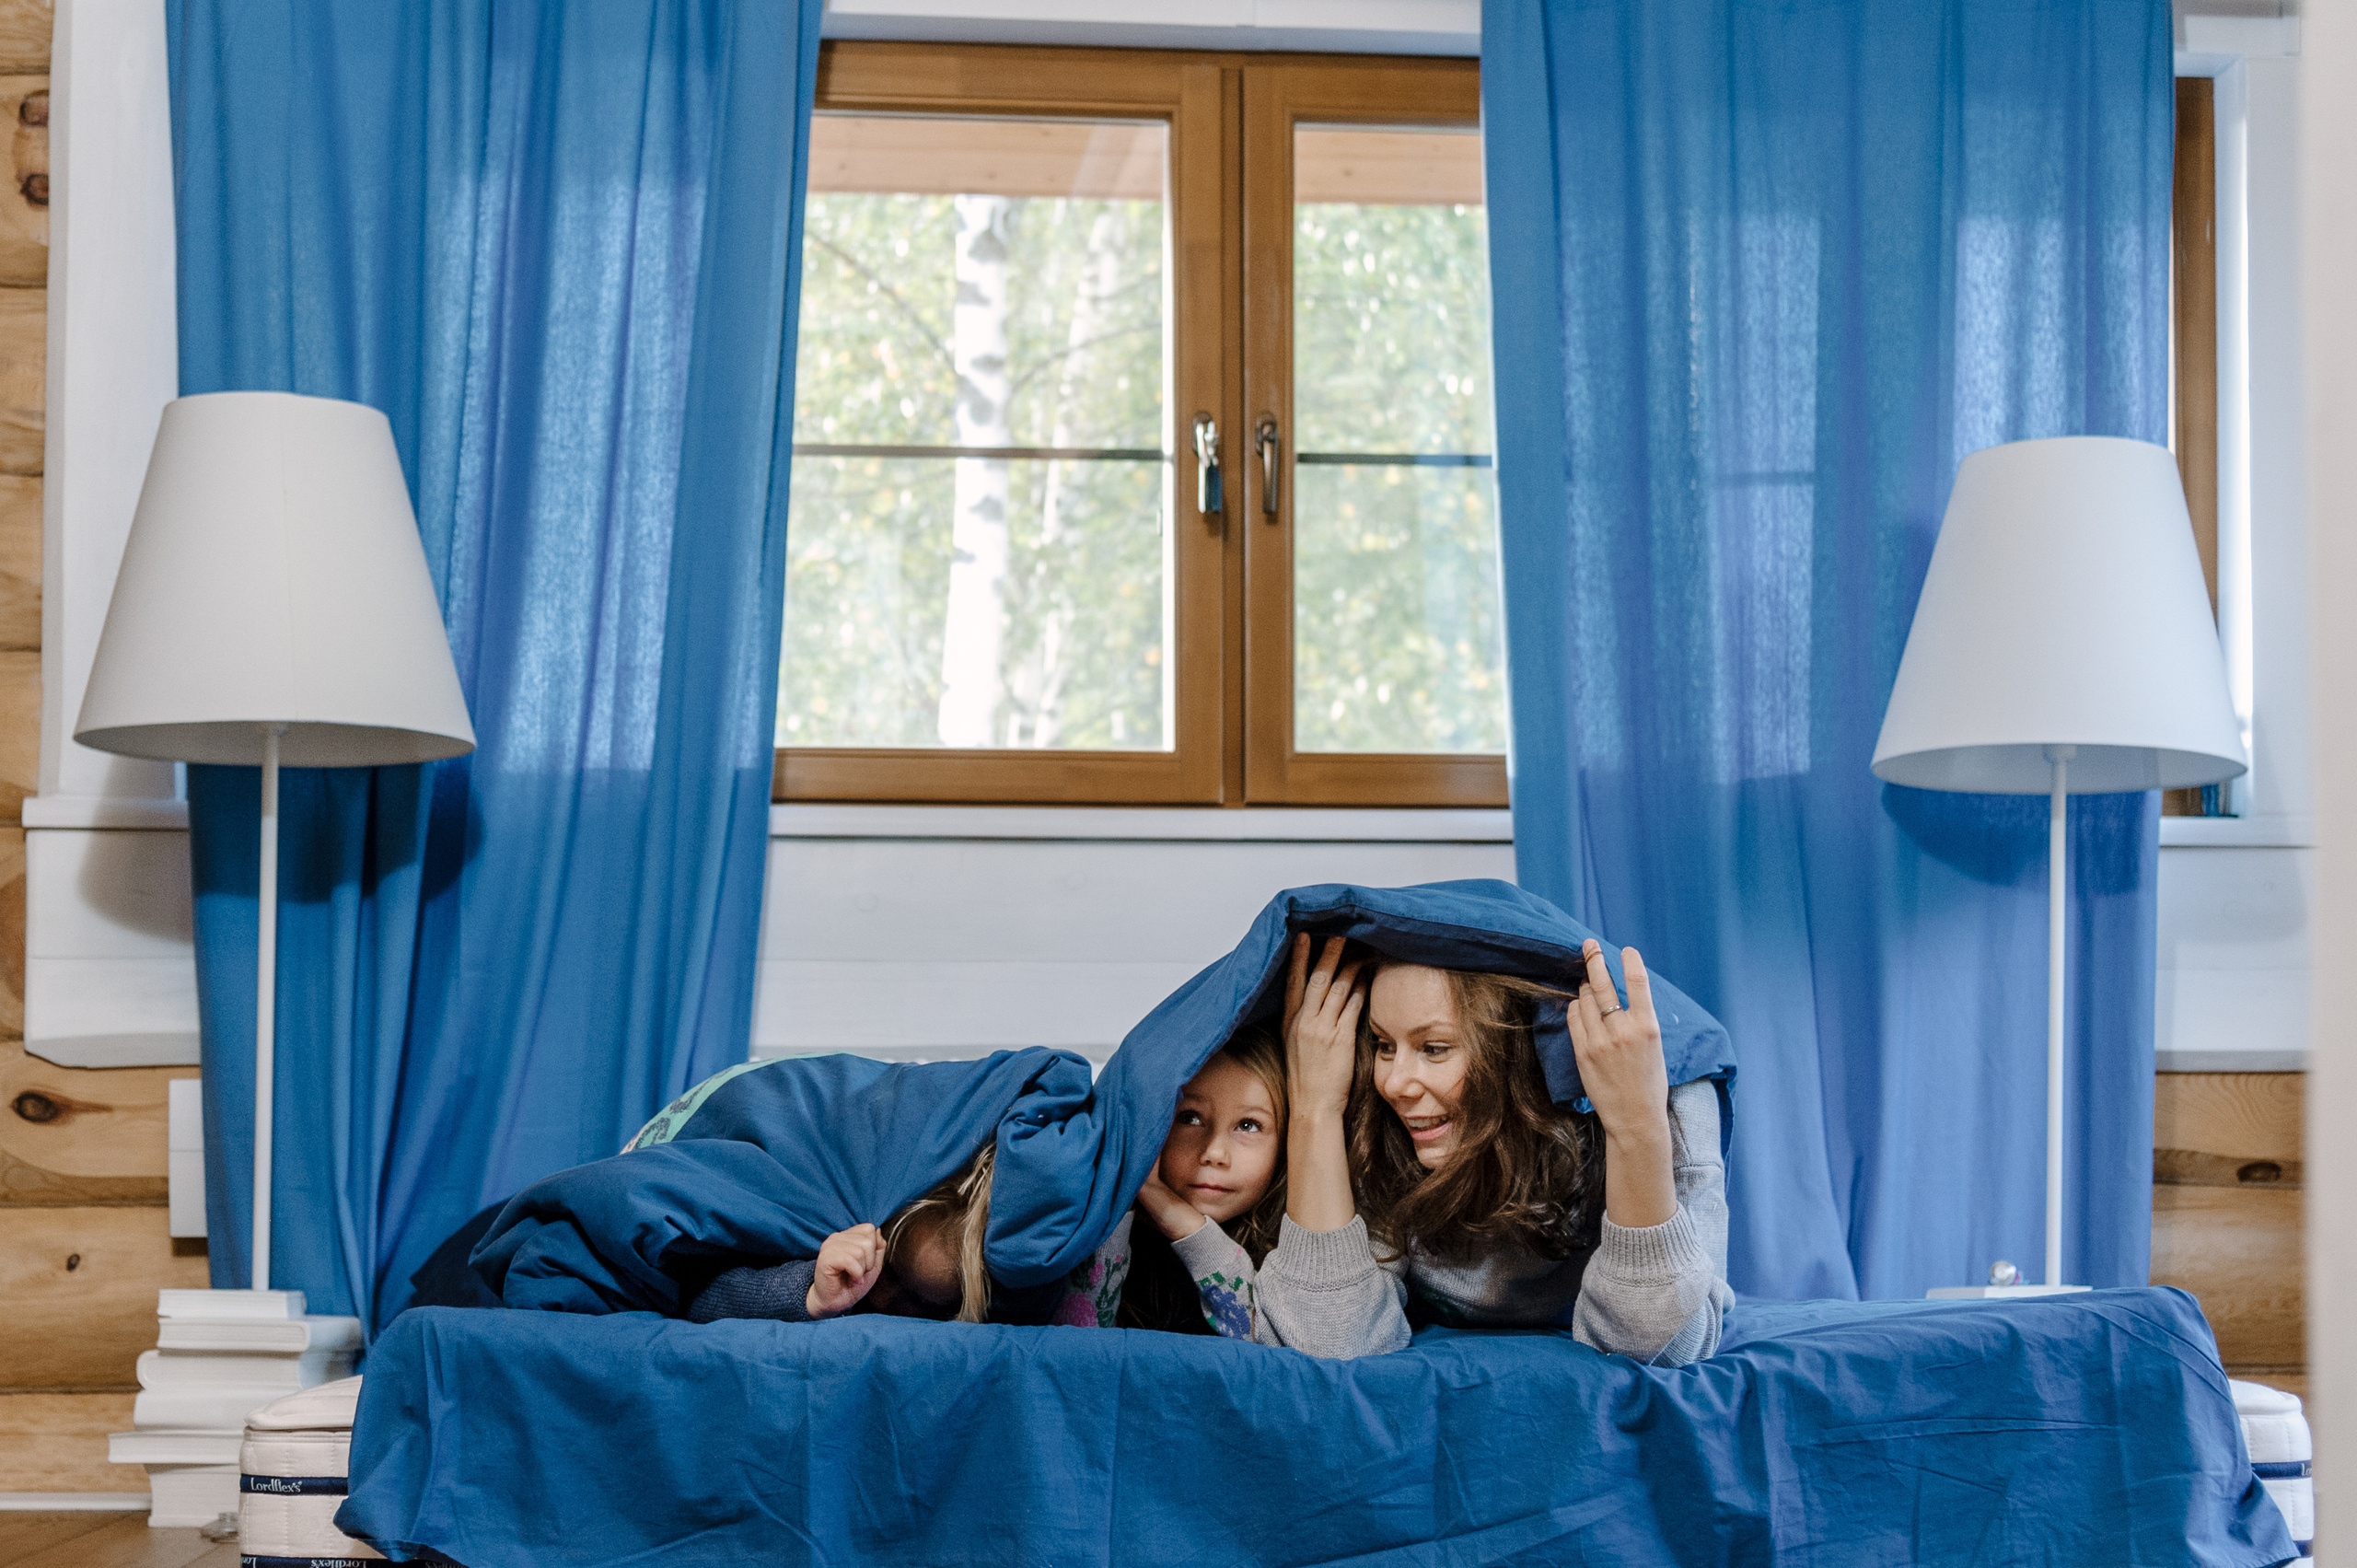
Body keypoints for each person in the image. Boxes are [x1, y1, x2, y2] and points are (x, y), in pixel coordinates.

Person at [1256, 932, 1732, 1363]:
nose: (1394, 1084)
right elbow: (1331, 1339)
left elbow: (1662, 1347)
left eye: (1434, 1048)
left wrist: (1635, 1128)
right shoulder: (1376, 1117)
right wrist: (1314, 1108)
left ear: (1523, 1051)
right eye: (1383, 1044)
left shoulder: (1675, 1100)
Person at [1055, 1029, 1290, 1340]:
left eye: (1248, 1125)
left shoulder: (1287, 1252)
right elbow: (1076, 1347)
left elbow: (1269, 1347)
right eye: (1190, 1118)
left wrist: (1184, 1223)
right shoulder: (1113, 1233)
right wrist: (1125, 1194)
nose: (1214, 1153)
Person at [681, 1141, 995, 1324]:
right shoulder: (836, 1231)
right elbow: (690, 1295)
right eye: (889, 1270)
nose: (882, 1298)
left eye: (918, 1301)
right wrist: (811, 1296)